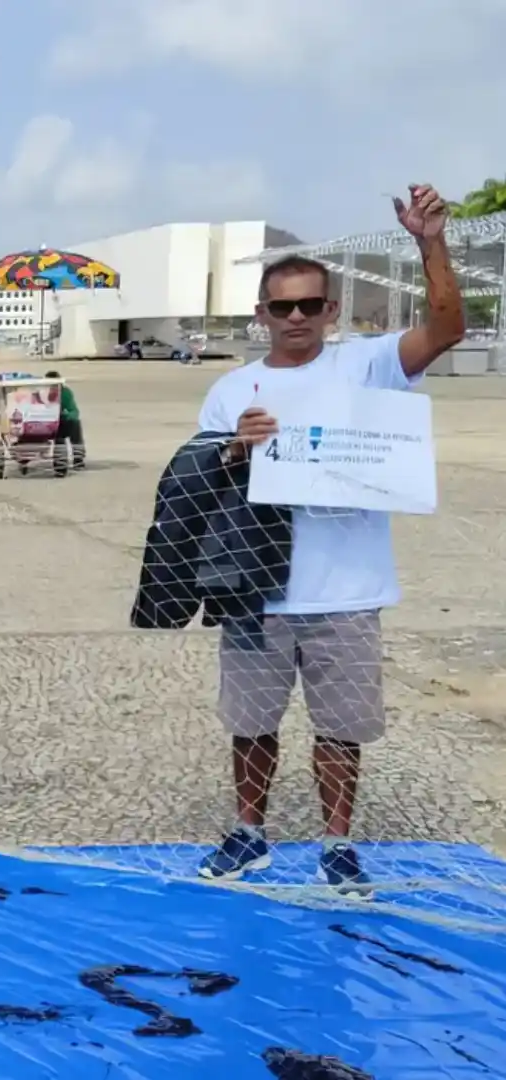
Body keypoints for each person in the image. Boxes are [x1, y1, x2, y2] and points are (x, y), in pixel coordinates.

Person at [194, 185, 465, 895]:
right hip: (258, 588)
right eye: (280, 307)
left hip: (347, 588)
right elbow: (199, 480)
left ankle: (336, 844)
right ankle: (249, 833)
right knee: (251, 723)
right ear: (261, 314)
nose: (295, 318)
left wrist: (429, 242)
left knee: (339, 727)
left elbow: (445, 329)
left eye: (309, 305)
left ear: (331, 311)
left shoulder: (368, 366)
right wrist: (233, 451)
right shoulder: (231, 389)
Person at [46, 369, 85, 466]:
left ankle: (78, 457)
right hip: (46, 423)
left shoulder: (65, 393)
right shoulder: (41, 393)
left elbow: (74, 411)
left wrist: (67, 415)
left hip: (62, 421)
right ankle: (60, 459)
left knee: (75, 424)